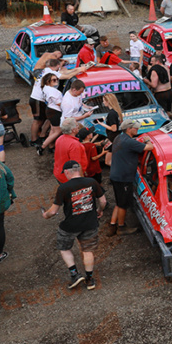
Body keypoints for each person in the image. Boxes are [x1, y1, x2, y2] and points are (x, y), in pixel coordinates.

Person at [42, 160, 106, 290]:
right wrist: (99, 210)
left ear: (66, 172)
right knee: (88, 250)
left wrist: (45, 215)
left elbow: (53, 211)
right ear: (79, 169)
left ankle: (75, 275)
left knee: (64, 248)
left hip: (70, 225)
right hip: (90, 223)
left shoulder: (63, 188)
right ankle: (89, 280)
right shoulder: (92, 182)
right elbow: (103, 200)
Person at [108, 120, 153, 235]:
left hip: (115, 174)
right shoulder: (129, 142)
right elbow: (149, 147)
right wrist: (147, 139)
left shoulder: (119, 137)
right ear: (129, 129)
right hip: (123, 178)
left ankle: (112, 225)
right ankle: (121, 227)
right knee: (123, 204)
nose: (137, 130)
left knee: (119, 200)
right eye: (135, 128)